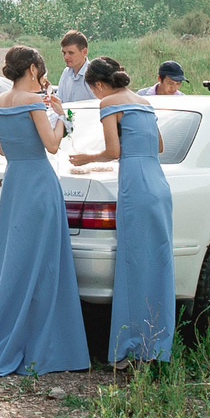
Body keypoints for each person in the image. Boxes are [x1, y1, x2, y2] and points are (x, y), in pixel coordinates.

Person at [0, 46, 90, 377]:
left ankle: (9, 332)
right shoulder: (34, 101)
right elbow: (52, 144)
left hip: (15, 182)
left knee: (16, 260)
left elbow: (2, 149)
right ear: (32, 69)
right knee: (45, 261)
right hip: (38, 181)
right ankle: (45, 342)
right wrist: (62, 117)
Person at [67, 57, 173, 365]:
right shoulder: (144, 102)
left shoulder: (109, 103)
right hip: (158, 184)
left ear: (99, 85)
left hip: (136, 185)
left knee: (134, 261)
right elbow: (160, 147)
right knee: (158, 262)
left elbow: (113, 151)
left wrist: (86, 158)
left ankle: (132, 344)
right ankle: (157, 343)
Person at [53, 32, 93, 105]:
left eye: (71, 53)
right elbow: (60, 100)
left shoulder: (94, 75)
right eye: (64, 53)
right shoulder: (66, 73)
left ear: (84, 52)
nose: (66, 57)